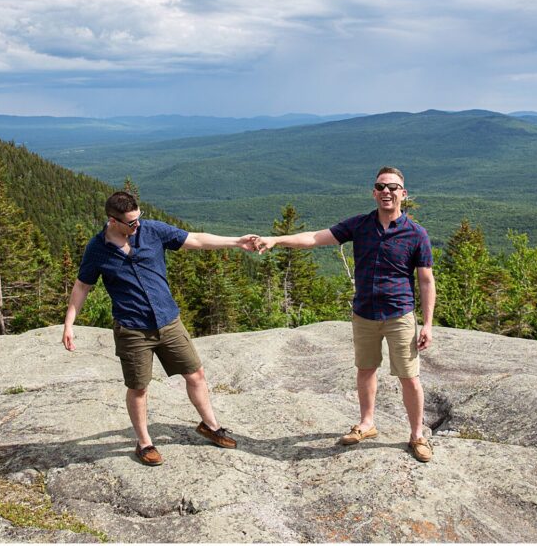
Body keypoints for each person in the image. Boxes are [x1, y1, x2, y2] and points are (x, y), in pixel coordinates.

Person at [62, 191, 259, 466]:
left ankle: (210, 426)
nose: (138, 225)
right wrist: (69, 323)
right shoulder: (97, 249)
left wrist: (237, 241)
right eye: (131, 222)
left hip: (168, 320)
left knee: (196, 374)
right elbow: (83, 285)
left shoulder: (152, 230)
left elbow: (195, 239)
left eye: (139, 218)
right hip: (132, 329)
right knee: (139, 388)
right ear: (113, 220)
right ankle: (144, 443)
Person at [255, 166, 436, 462]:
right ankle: (367, 423)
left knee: (409, 377)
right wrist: (276, 240)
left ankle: (417, 435)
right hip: (364, 313)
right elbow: (314, 238)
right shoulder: (360, 225)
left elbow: (426, 280)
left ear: (403, 194)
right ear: (373, 192)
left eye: (392, 187)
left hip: (399, 314)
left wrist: (427, 323)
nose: (386, 192)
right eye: (381, 187)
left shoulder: (416, 234)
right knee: (366, 369)